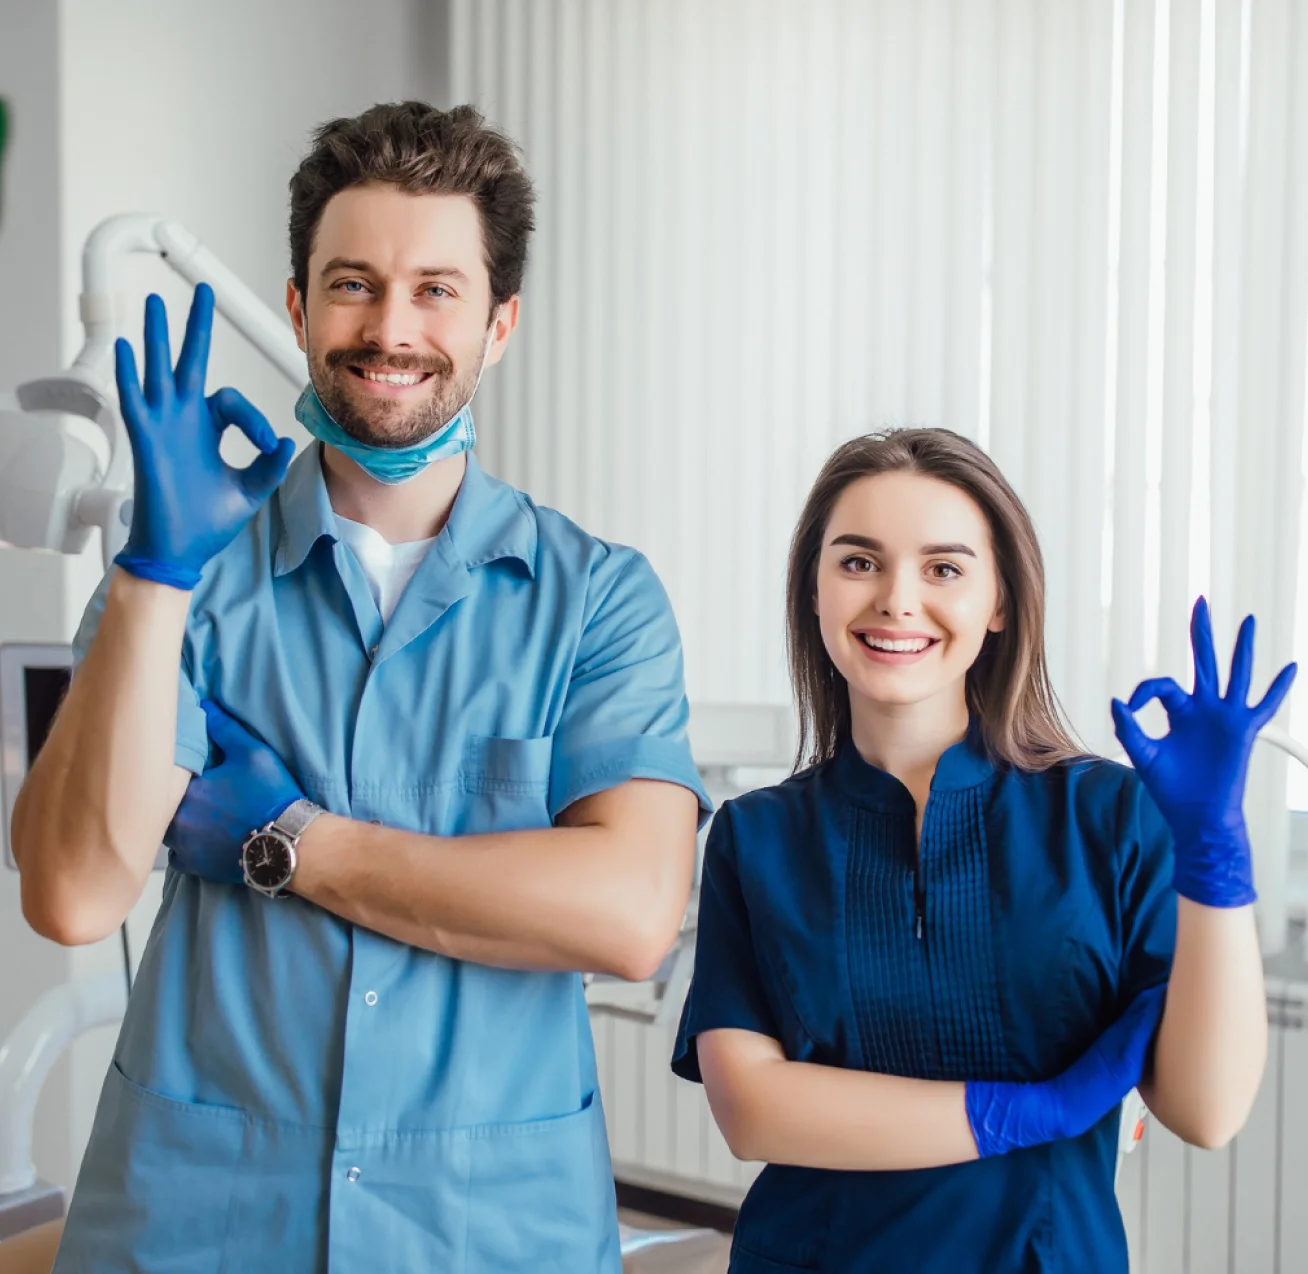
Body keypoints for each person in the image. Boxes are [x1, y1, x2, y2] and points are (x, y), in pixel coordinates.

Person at [12, 102, 709, 1273]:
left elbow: (628, 914)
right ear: (297, 307)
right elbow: (76, 893)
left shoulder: (598, 600)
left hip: (486, 1231)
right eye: (353, 283)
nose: (391, 327)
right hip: (202, 1225)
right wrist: (153, 570)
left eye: (438, 288)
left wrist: (289, 839)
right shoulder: (192, 582)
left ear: (501, 324)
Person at [671, 428, 1295, 1273]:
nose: (896, 599)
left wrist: (1216, 856)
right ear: (813, 591)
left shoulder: (1107, 816)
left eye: (944, 568)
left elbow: (1208, 1110)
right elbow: (752, 1110)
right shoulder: (756, 836)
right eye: (859, 562)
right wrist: (1025, 1112)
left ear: (998, 602)